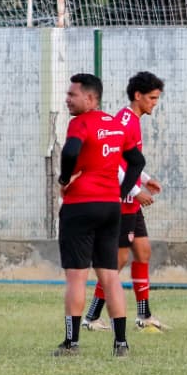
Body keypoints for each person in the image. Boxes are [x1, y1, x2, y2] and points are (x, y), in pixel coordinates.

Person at [54, 73, 145, 357]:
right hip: (110, 207)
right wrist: (122, 192)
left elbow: (70, 150)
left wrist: (64, 178)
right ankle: (121, 344)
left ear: (91, 98)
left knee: (77, 278)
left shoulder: (80, 123)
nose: (68, 99)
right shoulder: (116, 125)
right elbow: (137, 161)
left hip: (80, 204)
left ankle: (71, 343)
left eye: (73, 95)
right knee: (110, 276)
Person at [81, 71, 167, 333]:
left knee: (143, 252)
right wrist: (133, 191)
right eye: (152, 98)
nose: (155, 103)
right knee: (116, 261)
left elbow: (128, 162)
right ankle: (92, 317)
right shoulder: (124, 121)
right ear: (138, 96)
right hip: (121, 202)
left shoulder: (132, 120)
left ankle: (144, 315)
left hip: (130, 200)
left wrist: (146, 178)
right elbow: (112, 162)